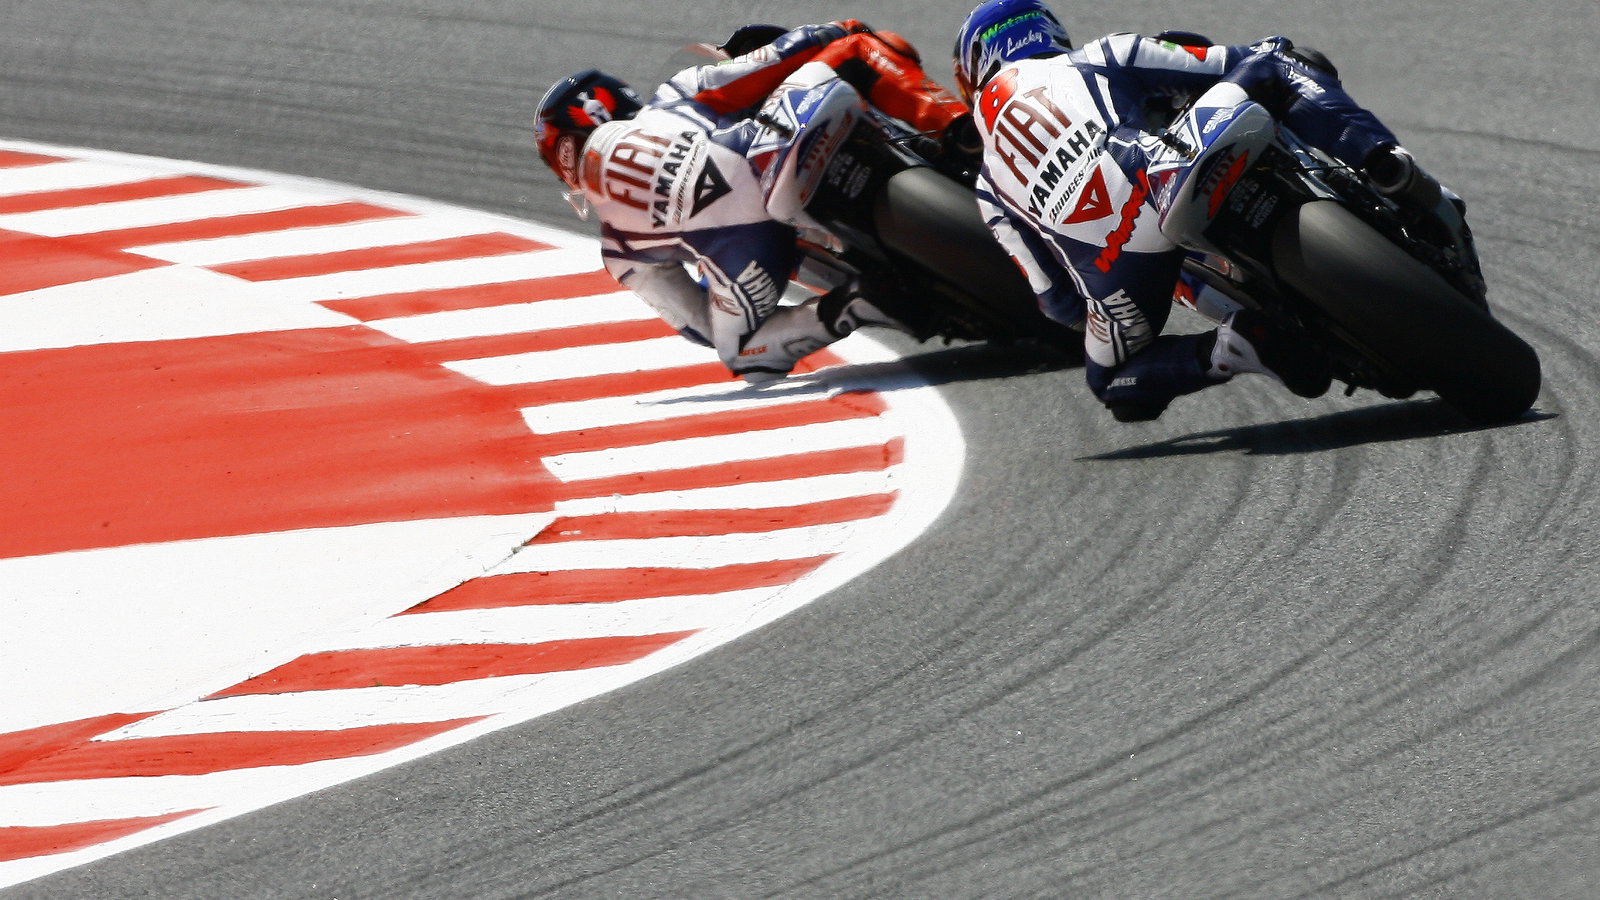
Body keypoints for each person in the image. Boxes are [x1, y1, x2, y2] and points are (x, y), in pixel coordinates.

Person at [952, 0, 1455, 421]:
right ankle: (1385, 165)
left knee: (1110, 382)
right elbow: (1233, 60)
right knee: (1279, 59)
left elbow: (1057, 303)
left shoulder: (987, 187)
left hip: (1115, 267)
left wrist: (1103, 288)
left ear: (974, 70)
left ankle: (1229, 350)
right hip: (1157, 171)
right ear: (1046, 31)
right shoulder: (1099, 54)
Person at [534, 22, 979, 382]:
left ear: (565, 162)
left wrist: (714, 269)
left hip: (752, 248)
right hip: (769, 154)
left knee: (742, 353)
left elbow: (699, 326)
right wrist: (832, 35)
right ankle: (962, 132)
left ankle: (856, 303)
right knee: (859, 44)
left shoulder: (618, 248)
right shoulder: (677, 92)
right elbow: (806, 46)